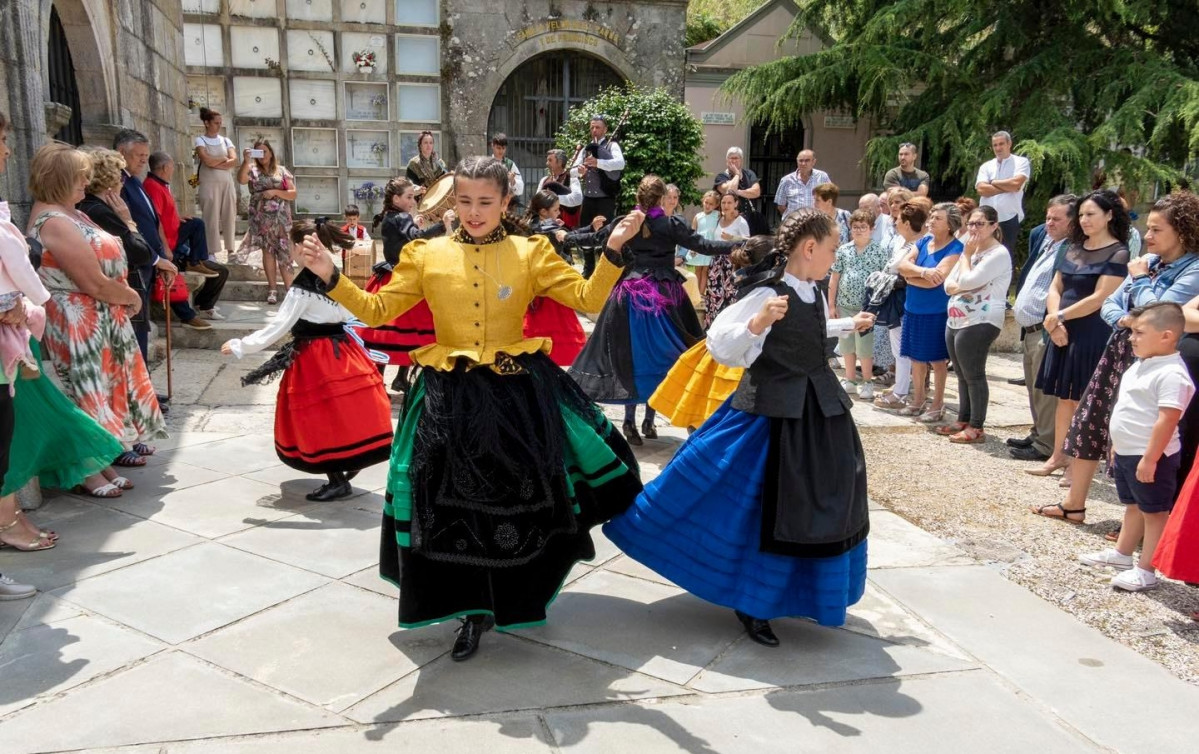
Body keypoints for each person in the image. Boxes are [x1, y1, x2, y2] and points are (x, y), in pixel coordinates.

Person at [296, 155, 645, 661]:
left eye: (486, 202)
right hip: (448, 395)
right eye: (464, 201)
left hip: (516, 394)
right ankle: (469, 607)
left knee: (517, 498)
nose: (474, 212)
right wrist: (331, 275)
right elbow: (376, 310)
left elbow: (588, 299)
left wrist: (612, 251)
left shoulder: (532, 252)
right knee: (444, 502)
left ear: (506, 202)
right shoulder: (425, 254)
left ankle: (509, 593)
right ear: (450, 202)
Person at [605, 209, 875, 647]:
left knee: (815, 504)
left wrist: (847, 323)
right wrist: (756, 323)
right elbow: (721, 343)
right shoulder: (767, 293)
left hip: (815, 412)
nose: (833, 256)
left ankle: (792, 591)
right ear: (810, 248)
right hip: (768, 415)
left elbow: (808, 331)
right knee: (759, 507)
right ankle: (753, 602)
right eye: (830, 248)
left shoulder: (808, 290)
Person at [222, 220, 393, 501]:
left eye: (292, 244)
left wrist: (241, 345)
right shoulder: (334, 276)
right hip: (345, 351)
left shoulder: (301, 289)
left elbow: (277, 328)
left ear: (302, 247)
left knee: (319, 418)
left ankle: (337, 478)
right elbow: (351, 312)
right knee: (344, 411)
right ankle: (348, 463)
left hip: (316, 357)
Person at [570, 176, 739, 445]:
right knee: (670, 357)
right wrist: (739, 244)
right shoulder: (670, 224)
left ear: (638, 197)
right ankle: (649, 421)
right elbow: (704, 246)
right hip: (664, 294)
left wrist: (564, 236)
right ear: (662, 198)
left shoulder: (627, 222)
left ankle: (629, 422)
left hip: (630, 295)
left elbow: (597, 237)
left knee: (630, 357)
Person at [28, 142, 167, 467]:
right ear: (60, 178)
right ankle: (92, 467)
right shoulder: (54, 220)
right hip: (81, 319)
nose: (85, 183)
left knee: (112, 384)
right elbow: (91, 281)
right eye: (79, 177)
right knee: (90, 389)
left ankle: (113, 446)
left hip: (101, 315)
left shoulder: (71, 211)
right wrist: (129, 295)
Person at [1079, 302, 1194, 591]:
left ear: (1166, 336)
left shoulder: (1172, 373)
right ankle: (1122, 554)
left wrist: (1151, 458)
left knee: (1154, 513)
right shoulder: (1141, 365)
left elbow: (1167, 421)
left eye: (1140, 332)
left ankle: (1147, 569)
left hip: (1152, 456)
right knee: (1133, 506)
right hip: (1130, 452)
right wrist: (1118, 444)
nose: (1132, 338)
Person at [1031, 190, 1130, 522]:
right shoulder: (1072, 248)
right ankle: (1058, 455)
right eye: (1082, 215)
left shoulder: (1118, 252)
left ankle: (1077, 464)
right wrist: (1054, 317)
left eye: (1091, 214)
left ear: (1109, 216)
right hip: (1061, 327)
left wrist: (1059, 317)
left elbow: (1102, 297)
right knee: (1064, 397)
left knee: (1083, 399)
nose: (1085, 220)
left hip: (1091, 331)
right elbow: (1054, 287)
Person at [650, 236, 775, 431]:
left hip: (722, 349)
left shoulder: (741, 279)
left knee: (705, 407)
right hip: (736, 350)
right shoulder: (764, 289)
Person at [114, 131, 210, 341]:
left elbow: (152, 219)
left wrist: (161, 256)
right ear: (121, 152)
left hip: (151, 259)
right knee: (136, 323)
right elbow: (128, 227)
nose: (143, 160)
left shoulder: (135, 182)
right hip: (137, 262)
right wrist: (159, 257)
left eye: (145, 155)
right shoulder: (119, 185)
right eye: (138, 154)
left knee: (141, 322)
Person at [934, 206, 1013, 442]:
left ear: (993, 226)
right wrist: (963, 281)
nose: (973, 229)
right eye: (970, 224)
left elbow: (967, 279)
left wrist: (966, 259)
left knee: (974, 373)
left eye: (979, 224)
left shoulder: (997, 254)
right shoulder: (971, 251)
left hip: (981, 319)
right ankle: (963, 418)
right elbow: (949, 284)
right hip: (958, 318)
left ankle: (976, 426)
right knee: (960, 372)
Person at [1009, 195, 1076, 463]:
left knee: (1045, 391)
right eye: (1048, 217)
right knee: (1033, 387)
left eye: (1057, 219)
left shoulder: (1069, 249)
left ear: (1072, 223)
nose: (1049, 223)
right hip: (1030, 328)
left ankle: (1046, 443)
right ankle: (1038, 432)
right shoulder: (1047, 241)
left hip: (1045, 328)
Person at [360, 177, 441, 393]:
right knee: (409, 330)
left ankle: (383, 378)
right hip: (401, 279)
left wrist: (414, 225)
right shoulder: (402, 216)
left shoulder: (391, 216)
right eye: (409, 197)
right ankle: (399, 377)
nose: (412, 201)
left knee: (383, 332)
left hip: (388, 277)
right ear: (396, 198)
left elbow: (407, 238)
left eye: (413, 197)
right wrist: (443, 225)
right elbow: (418, 237)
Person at [892, 203, 964, 420]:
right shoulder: (923, 241)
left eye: (937, 218)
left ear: (950, 225)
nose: (931, 220)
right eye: (931, 216)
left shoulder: (956, 248)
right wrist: (922, 272)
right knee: (916, 358)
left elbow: (937, 281)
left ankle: (937, 404)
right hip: (913, 307)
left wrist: (911, 277)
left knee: (937, 360)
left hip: (936, 310)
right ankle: (918, 400)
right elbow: (902, 266)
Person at [144, 151, 229, 321]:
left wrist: (178, 218)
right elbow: (156, 219)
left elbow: (165, 214)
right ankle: (195, 263)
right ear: (165, 167)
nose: (173, 169)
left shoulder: (161, 185)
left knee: (220, 270)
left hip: (174, 238)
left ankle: (203, 303)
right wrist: (165, 248)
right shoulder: (152, 186)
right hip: (167, 243)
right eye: (172, 166)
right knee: (198, 225)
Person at [521, 189, 589, 366]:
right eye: (556, 209)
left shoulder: (527, 226)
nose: (559, 213)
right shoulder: (550, 229)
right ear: (543, 211)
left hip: (531, 289)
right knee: (559, 329)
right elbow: (569, 245)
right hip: (552, 288)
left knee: (531, 328)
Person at [829, 210, 890, 401]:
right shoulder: (844, 250)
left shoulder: (879, 251)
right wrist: (831, 304)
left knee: (864, 346)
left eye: (863, 227)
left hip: (867, 307)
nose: (859, 230)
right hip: (844, 304)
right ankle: (850, 380)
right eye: (855, 227)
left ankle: (867, 381)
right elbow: (835, 277)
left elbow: (884, 279)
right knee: (847, 344)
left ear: (871, 229)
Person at [872, 198, 924, 411]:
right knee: (897, 345)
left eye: (900, 220)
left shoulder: (918, 245)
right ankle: (900, 386)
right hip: (894, 297)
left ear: (909, 223)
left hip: (904, 297)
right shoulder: (901, 242)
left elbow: (905, 271)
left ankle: (901, 392)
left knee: (902, 346)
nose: (895, 222)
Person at [237, 139, 296, 304]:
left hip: (281, 218)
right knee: (268, 252)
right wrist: (246, 160)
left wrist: (275, 191)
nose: (262, 155)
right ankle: (272, 289)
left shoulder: (282, 170)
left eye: (264, 151)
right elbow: (241, 180)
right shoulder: (251, 169)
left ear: (271, 152)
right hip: (261, 218)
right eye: (258, 152)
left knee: (285, 253)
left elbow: (292, 193)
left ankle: (290, 290)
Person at [573, 115, 626, 278]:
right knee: (587, 232)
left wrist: (598, 163)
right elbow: (573, 170)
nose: (594, 131)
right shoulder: (585, 148)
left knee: (605, 233)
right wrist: (580, 171)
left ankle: (604, 270)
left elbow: (620, 163)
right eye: (592, 127)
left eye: (597, 127)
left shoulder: (612, 146)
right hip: (588, 198)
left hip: (605, 198)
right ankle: (589, 267)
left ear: (605, 129)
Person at [975, 130, 1031, 259]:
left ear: (1009, 144)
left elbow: (1016, 184)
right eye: (995, 145)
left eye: (1001, 144)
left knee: (1005, 256)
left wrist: (993, 182)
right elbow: (981, 189)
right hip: (986, 219)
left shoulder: (1021, 162)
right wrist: (1007, 187)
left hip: (1009, 218)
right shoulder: (986, 166)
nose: (998, 148)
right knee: (982, 254)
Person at [193, 107, 239, 260]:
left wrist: (215, 162)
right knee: (210, 215)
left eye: (220, 122)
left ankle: (231, 249)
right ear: (207, 123)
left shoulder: (226, 140)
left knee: (229, 213)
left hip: (226, 182)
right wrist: (223, 159)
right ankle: (211, 250)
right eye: (216, 122)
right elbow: (206, 160)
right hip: (208, 182)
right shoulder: (201, 140)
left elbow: (234, 160)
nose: (219, 125)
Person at [701, 192, 752, 329]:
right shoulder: (718, 219)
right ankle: (711, 328)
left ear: (736, 204)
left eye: (729, 202)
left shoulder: (741, 221)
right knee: (714, 295)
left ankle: (730, 328)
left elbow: (748, 242)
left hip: (733, 263)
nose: (726, 205)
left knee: (731, 296)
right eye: (723, 203)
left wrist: (732, 238)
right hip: (716, 262)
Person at [714, 147, 766, 235]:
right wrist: (737, 174)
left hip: (749, 220)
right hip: (729, 220)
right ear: (727, 161)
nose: (734, 161)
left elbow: (756, 192)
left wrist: (738, 192)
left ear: (741, 160)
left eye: (736, 158)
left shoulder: (749, 174)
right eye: (731, 158)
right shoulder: (721, 176)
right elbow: (729, 191)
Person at [775, 150, 830, 220]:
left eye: (807, 160)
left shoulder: (822, 177)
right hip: (794, 224)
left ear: (813, 162)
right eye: (800, 161)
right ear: (797, 161)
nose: (803, 163)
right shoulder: (786, 180)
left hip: (816, 223)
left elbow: (829, 200)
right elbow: (781, 206)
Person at [537, 149, 583, 229]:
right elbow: (537, 200)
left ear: (560, 162)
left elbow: (578, 199)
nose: (547, 163)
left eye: (550, 160)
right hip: (546, 226)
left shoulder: (572, 178)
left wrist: (552, 199)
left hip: (567, 228)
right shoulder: (544, 180)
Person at [686, 190, 721, 296]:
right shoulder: (698, 216)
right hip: (699, 246)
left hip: (709, 246)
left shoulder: (717, 215)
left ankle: (701, 293)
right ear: (703, 201)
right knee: (698, 270)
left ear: (716, 205)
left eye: (711, 204)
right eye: (706, 202)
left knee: (705, 270)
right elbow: (693, 232)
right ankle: (696, 293)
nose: (708, 205)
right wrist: (692, 247)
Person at [405, 130, 447, 198]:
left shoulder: (440, 163)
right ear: (420, 145)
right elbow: (409, 184)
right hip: (421, 201)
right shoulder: (413, 164)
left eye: (431, 143)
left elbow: (445, 181)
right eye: (425, 143)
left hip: (438, 198)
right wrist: (417, 189)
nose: (428, 145)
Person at [489, 133, 524, 202]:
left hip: (506, 203)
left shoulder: (510, 164)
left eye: (503, 148)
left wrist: (513, 181)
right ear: (492, 146)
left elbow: (520, 189)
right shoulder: (486, 163)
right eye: (498, 148)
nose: (501, 151)